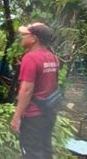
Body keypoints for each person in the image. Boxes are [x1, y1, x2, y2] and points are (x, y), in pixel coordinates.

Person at [10, 22, 59, 159]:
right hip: (49, 112)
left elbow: (26, 90)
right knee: (45, 149)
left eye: (24, 34)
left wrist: (17, 117)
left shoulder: (30, 58)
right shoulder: (52, 57)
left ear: (34, 38)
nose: (21, 37)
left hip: (33, 116)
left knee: (32, 153)